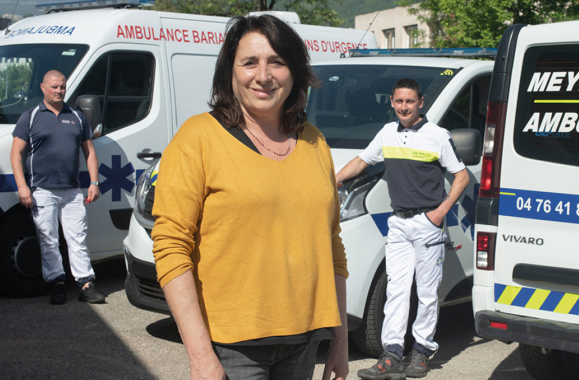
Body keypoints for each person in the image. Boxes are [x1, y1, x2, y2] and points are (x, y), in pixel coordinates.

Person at [151, 15, 349, 380]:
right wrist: (200, 356)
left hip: (304, 343)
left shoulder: (314, 141)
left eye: (277, 61)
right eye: (250, 62)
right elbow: (170, 247)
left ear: (295, 72)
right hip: (230, 350)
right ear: (230, 71)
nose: (263, 75)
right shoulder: (198, 138)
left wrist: (340, 340)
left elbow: (332, 247)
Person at [336, 78, 470, 379]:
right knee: (396, 290)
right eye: (398, 101)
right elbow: (362, 161)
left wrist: (440, 213)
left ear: (420, 103)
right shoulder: (387, 133)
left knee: (426, 292)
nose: (404, 107)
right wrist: (332, 179)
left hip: (427, 224)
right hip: (397, 224)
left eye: (409, 101)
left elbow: (461, 176)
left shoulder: (437, 135)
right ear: (393, 103)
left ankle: (421, 352)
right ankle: (392, 353)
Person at [9, 70, 104, 305]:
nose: (59, 91)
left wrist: (94, 182)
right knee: (48, 239)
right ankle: (58, 283)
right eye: (54, 87)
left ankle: (86, 284)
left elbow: (90, 152)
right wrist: (22, 187)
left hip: (72, 190)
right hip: (42, 189)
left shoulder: (77, 116)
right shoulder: (30, 117)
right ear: (42, 87)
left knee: (77, 238)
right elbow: (15, 154)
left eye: (62, 87)